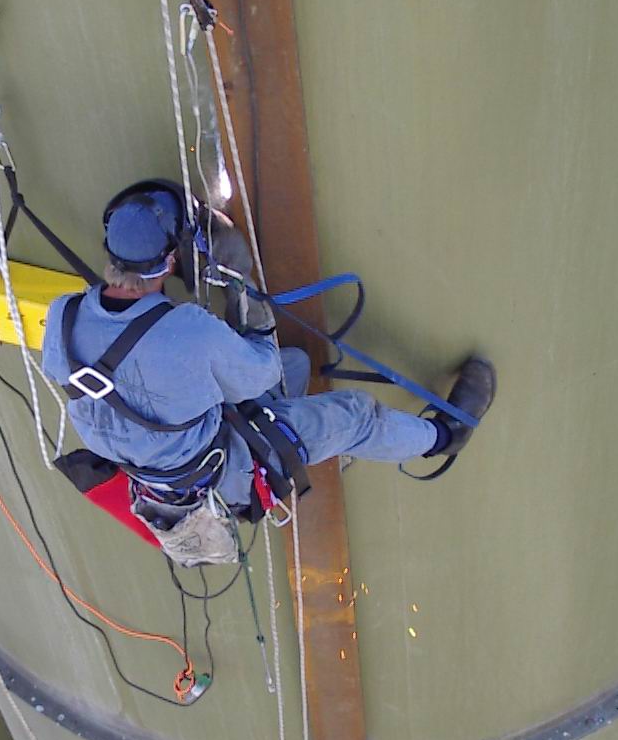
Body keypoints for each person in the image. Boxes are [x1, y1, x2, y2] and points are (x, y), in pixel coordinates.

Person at [41, 182, 495, 518]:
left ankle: (324, 440)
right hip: (222, 469)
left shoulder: (62, 317)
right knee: (354, 415)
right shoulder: (188, 331)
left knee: (297, 366)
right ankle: (445, 437)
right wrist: (239, 280)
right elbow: (261, 368)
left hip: (157, 459)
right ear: (172, 259)